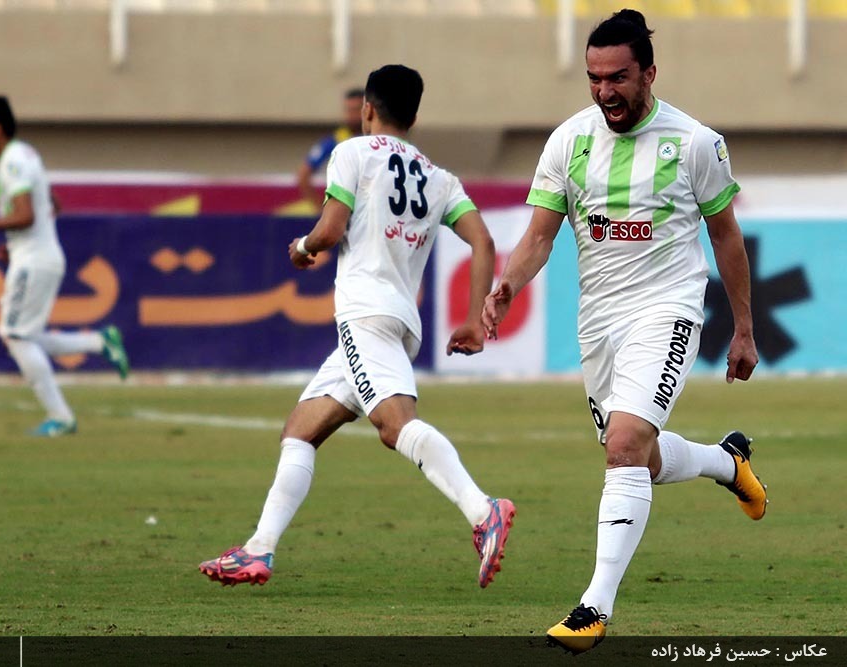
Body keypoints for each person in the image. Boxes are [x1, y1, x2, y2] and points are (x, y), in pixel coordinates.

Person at [481, 10, 767, 653]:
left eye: (618, 78)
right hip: (599, 324)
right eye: (594, 78)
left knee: (626, 445)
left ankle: (593, 609)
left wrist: (743, 326)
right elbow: (539, 235)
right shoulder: (568, 142)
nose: (604, 91)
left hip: (668, 310)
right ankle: (727, 462)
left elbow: (725, 236)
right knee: (638, 454)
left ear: (649, 74)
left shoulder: (694, 143)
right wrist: (507, 285)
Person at [200, 65, 515, 589]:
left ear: (368, 109)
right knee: (301, 429)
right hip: (397, 319)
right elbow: (482, 241)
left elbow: (330, 228)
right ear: (414, 116)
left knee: (394, 426)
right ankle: (258, 550)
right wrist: (473, 321)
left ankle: (484, 511)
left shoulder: (352, 152)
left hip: (364, 313)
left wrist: (303, 248)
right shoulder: (439, 177)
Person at [0, 95, 130, 436]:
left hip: (34, 260)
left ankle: (61, 417)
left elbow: (26, 214)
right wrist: (16, 245)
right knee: (27, 336)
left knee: (14, 336)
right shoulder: (27, 153)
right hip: (38, 255)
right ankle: (100, 342)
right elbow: (53, 203)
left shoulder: (12, 162)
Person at [295, 88, 365, 212]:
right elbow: (303, 175)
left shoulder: (376, 140)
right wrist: (321, 209)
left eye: (356, 110)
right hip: (344, 211)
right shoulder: (334, 141)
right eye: (349, 110)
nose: (352, 115)